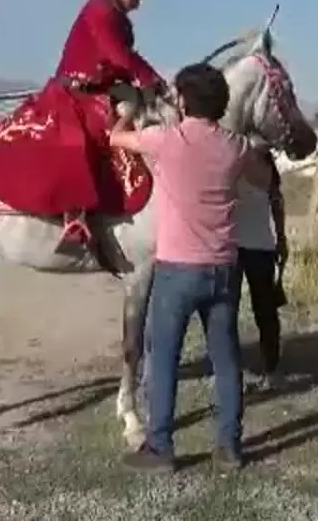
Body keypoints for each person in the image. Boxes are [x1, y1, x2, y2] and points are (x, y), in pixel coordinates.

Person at [109, 63, 273, 473]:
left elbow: (114, 138)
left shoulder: (163, 141)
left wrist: (128, 109)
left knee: (162, 356)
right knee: (226, 357)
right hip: (223, 268)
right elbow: (264, 179)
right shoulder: (234, 146)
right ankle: (230, 447)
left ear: (182, 101)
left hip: (177, 270)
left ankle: (161, 447)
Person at [0, 0, 166, 245]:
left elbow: (122, 58)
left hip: (101, 91)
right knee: (76, 143)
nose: (139, 2)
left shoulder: (116, 16)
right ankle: (74, 215)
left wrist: (150, 82)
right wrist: (148, 78)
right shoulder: (100, 12)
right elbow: (118, 55)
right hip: (73, 94)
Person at [234, 149, 290, 388]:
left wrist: (280, 237)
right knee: (265, 312)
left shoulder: (229, 155)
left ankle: (235, 375)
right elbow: (277, 202)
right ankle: (272, 371)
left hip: (233, 246)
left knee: (227, 313)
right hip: (260, 246)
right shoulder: (266, 162)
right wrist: (281, 238)